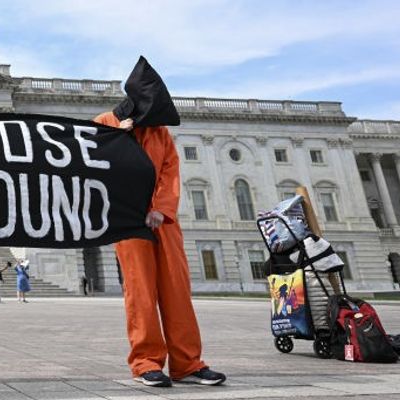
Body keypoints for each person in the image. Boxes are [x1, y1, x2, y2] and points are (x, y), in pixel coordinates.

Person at [93, 57, 226, 388]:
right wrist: (117, 139)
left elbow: (170, 173)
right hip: (128, 221)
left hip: (164, 222)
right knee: (140, 292)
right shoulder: (105, 122)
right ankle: (145, 361)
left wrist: (162, 209)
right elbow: (92, 167)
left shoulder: (160, 132)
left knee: (177, 291)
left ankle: (188, 363)